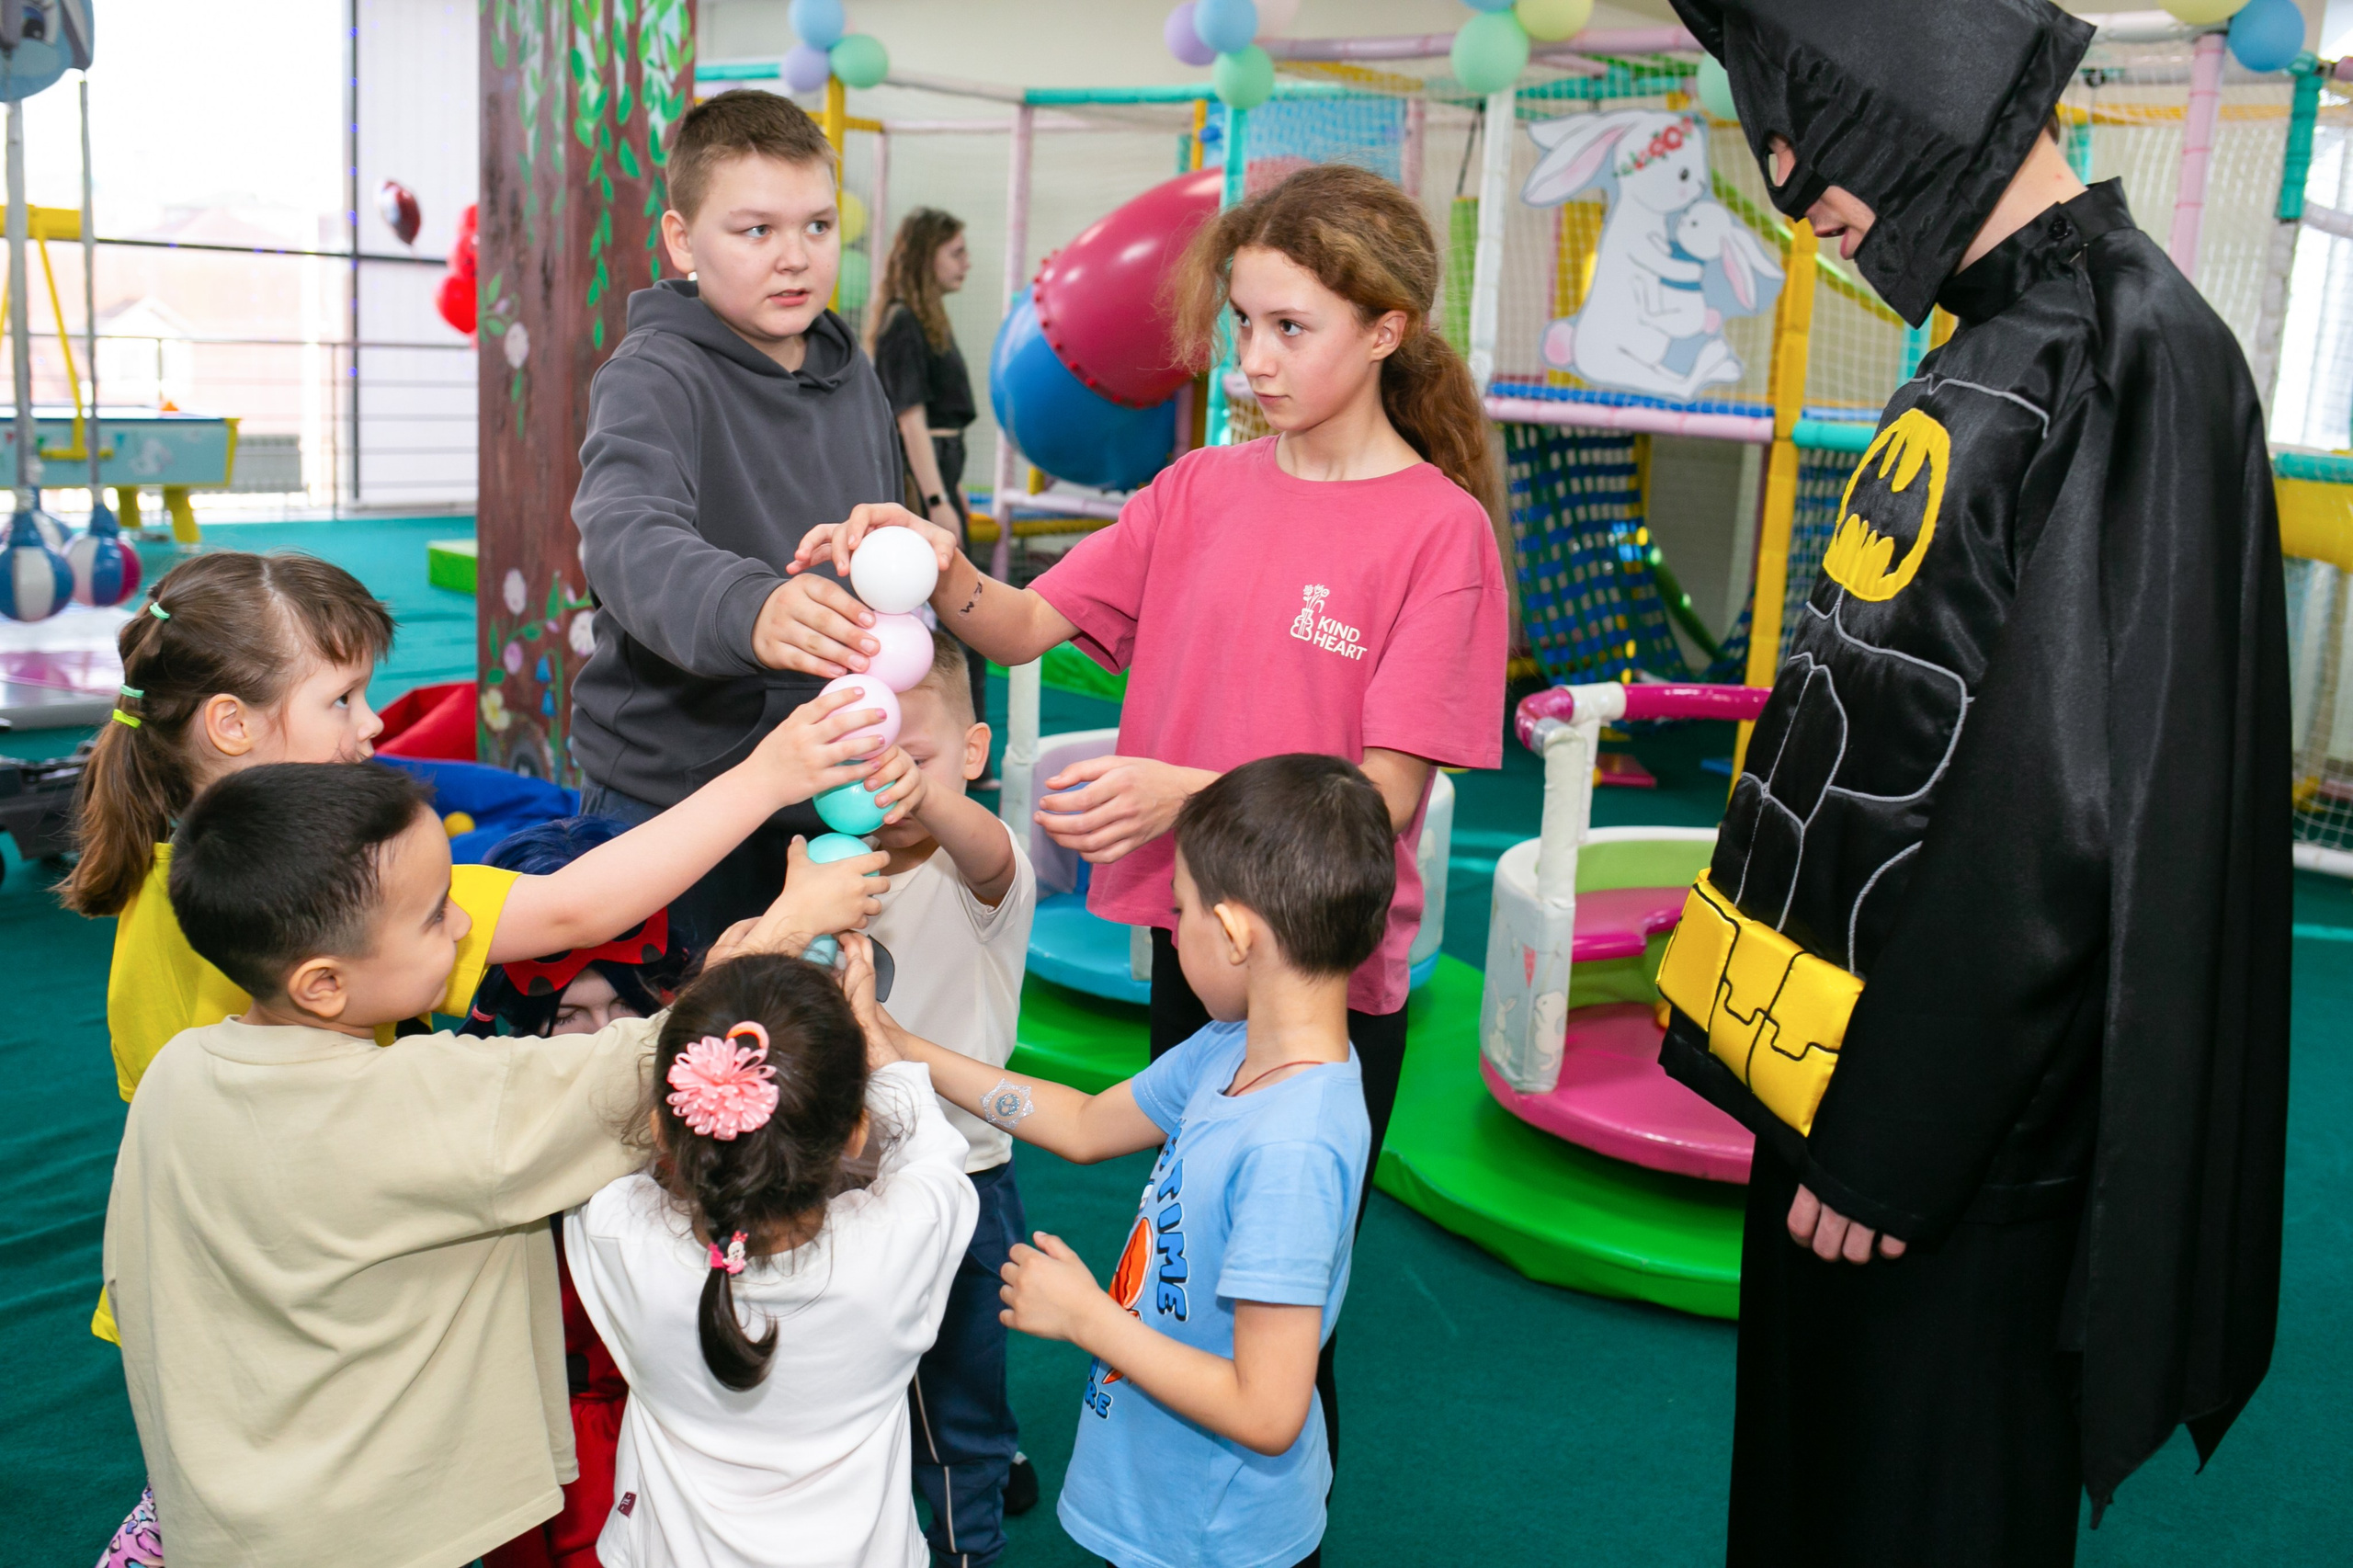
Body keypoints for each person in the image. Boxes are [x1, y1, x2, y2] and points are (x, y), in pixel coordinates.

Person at [1654, 3, 2290, 1563]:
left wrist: (1897, 1135)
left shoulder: (2136, 354)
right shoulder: (1997, 337)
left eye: (1810, 144)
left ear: (1907, 86)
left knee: (1912, 1508)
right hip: (1843, 1085)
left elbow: (2061, 812)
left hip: (1950, 1140)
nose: (1801, 199)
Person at [789, 163, 1510, 1465]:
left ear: (1388, 329)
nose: (1253, 358)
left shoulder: (1438, 532)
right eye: (1242, 321)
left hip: (1320, 973)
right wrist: (935, 559)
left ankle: (1274, 1527)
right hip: (1198, 946)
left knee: (1286, 1305)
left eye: (1291, 328)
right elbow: (1015, 624)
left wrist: (1186, 790)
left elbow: (1384, 796)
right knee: (1187, 1249)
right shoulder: (1196, 492)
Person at [101, 762, 882, 1568]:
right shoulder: (419, 1102)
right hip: (377, 1536)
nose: (466, 929)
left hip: (228, 1515)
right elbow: (665, 1059)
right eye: (437, 916)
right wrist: (787, 928)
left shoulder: (179, 1073)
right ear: (325, 985)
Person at [66, 551, 886, 1303]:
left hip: (220, 1269)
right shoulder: (312, 895)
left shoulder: (173, 875)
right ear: (231, 726)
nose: (374, 723)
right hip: (311, 1279)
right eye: (341, 698)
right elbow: (573, 907)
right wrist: (768, 781)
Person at [867, 755, 1392, 1568]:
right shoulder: (1231, 1050)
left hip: (1217, 1540)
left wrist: (1087, 1319)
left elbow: (1268, 1410)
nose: (1174, 929)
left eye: (1178, 911)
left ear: (1235, 932)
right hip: (1162, 1504)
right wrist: (902, 1047)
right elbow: (1080, 1123)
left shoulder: (1294, 1147)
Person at [570, 87, 909, 950]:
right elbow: (625, 536)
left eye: (818, 227)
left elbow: (885, 540)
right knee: (682, 1045)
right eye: (756, 230)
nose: (794, 258)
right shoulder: (655, 375)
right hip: (677, 791)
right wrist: (747, 607)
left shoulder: (849, 368)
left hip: (828, 780)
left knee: (806, 1042)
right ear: (684, 240)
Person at [563, 948, 978, 1568]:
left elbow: (596, 1149)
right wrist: (866, 1026)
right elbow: (931, 1147)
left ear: (663, 1120)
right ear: (855, 1130)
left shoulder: (615, 1232)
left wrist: (716, 988)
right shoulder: (900, 1242)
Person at [464, 816, 695, 1568]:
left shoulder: (707, 1116)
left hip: (677, 1436)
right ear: (520, 1025)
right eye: (570, 1015)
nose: (604, 1037)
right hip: (541, 1457)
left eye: (624, 1010)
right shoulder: (484, 1134)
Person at [859, 633, 1040, 1564]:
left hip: (967, 1176)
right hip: (854, 1178)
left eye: (912, 757)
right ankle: (993, 1449)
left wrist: (920, 792)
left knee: (954, 1395)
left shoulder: (982, 872)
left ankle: (969, 1544)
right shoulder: (833, 862)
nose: (882, 782)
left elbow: (985, 848)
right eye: (862, 755)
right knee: (886, 1385)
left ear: (970, 753)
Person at [867, 207, 991, 735]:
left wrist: (953, 491)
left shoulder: (926, 319)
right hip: (922, 483)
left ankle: (960, 734)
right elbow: (911, 423)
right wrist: (938, 502)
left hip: (940, 475)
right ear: (927, 257)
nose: (966, 263)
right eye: (956, 252)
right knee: (950, 608)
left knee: (964, 610)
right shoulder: (903, 323)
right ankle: (939, 735)